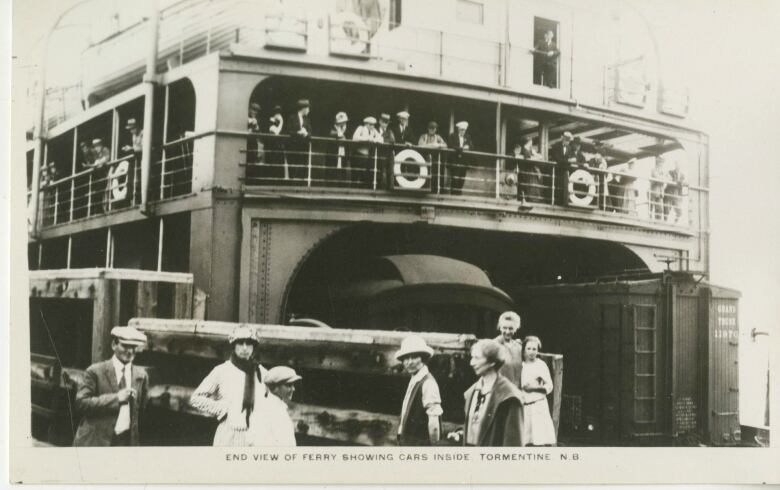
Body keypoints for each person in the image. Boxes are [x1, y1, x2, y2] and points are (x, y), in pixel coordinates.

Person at [190, 326, 269, 446]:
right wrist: (223, 408)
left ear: (254, 347)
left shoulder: (262, 373)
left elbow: (272, 402)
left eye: (248, 344)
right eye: (240, 343)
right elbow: (196, 398)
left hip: (255, 435)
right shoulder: (222, 371)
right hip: (229, 433)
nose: (244, 348)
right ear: (233, 346)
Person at [73, 326, 149, 446]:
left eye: (133, 347)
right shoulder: (95, 371)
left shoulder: (141, 376)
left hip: (125, 443)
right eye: (125, 346)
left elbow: (142, 410)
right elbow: (81, 403)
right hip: (96, 442)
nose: (129, 351)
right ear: (114, 345)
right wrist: (116, 398)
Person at [447, 339, 524, 446]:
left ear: (492, 362)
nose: (471, 363)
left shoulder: (509, 397)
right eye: (472, 357)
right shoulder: (471, 393)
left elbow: (513, 443)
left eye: (477, 358)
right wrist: (461, 434)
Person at [395, 336, 443, 446]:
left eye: (414, 357)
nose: (409, 362)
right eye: (405, 358)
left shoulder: (428, 383)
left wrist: (433, 447)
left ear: (423, 358)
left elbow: (434, 424)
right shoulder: (415, 379)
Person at [248, 366, 300, 446]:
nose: (293, 389)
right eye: (289, 385)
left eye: (293, 385)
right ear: (275, 388)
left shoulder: (278, 406)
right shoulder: (270, 410)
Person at [519, 336, 556, 446]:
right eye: (528, 348)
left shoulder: (541, 365)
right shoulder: (520, 365)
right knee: (524, 441)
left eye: (534, 349)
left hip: (538, 407)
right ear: (524, 349)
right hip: (524, 407)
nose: (531, 352)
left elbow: (549, 386)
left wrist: (534, 388)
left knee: (539, 441)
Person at [494, 311, 524, 388]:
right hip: (499, 391)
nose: (507, 331)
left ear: (516, 328)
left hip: (516, 391)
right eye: (504, 328)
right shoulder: (494, 345)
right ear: (500, 327)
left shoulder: (519, 347)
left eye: (511, 328)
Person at [352, 116, 383, 187]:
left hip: (367, 156)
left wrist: (375, 140)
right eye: (371, 124)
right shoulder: (360, 128)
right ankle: (354, 188)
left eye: (373, 125)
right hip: (358, 154)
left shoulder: (373, 130)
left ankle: (362, 190)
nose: (373, 126)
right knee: (356, 173)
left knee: (365, 174)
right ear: (366, 124)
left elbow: (381, 139)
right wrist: (367, 139)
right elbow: (355, 138)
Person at [286, 98, 312, 181]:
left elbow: (310, 133)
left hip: (303, 148)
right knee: (293, 168)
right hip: (293, 147)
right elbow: (288, 131)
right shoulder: (292, 118)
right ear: (303, 108)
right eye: (308, 108)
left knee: (302, 169)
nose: (309, 110)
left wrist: (306, 134)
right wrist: (298, 133)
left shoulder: (307, 120)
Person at [514, 137, 544, 203]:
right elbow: (528, 159)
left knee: (533, 185)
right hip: (527, 170)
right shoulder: (524, 149)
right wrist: (536, 157)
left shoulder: (529, 150)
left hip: (531, 170)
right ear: (528, 142)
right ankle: (530, 199)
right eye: (531, 142)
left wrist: (536, 155)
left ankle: (532, 198)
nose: (531, 143)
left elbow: (540, 156)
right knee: (529, 185)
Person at [446, 121, 473, 195]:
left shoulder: (468, 137)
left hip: (463, 162)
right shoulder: (452, 136)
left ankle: (458, 195)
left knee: (461, 179)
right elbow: (450, 145)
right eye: (461, 130)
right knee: (455, 180)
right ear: (458, 129)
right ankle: (453, 196)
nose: (463, 131)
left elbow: (471, 146)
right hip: (454, 161)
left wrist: (468, 147)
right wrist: (461, 149)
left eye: (464, 130)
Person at [327, 111, 350, 184]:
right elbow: (330, 134)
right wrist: (339, 134)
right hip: (333, 152)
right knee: (331, 169)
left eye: (345, 122)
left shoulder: (346, 130)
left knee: (342, 169)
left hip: (342, 152)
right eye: (342, 122)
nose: (344, 124)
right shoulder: (332, 128)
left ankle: (341, 184)